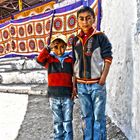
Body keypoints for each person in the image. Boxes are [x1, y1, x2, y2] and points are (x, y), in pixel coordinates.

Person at [72, 6, 113, 140]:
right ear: (78, 21)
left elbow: (108, 59)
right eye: (82, 19)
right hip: (81, 86)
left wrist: (103, 78)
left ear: (93, 19)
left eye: (88, 18)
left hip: (96, 85)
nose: (85, 22)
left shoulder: (100, 37)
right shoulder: (75, 40)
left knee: (98, 117)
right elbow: (74, 63)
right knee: (86, 116)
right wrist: (74, 84)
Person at [36, 34, 74, 140]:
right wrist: (48, 48)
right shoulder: (49, 60)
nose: (59, 50)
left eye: (62, 46)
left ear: (66, 46)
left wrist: (74, 90)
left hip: (67, 96)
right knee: (57, 123)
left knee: (67, 122)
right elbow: (39, 60)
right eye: (56, 47)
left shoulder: (70, 60)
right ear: (53, 48)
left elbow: (75, 75)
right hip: (53, 96)